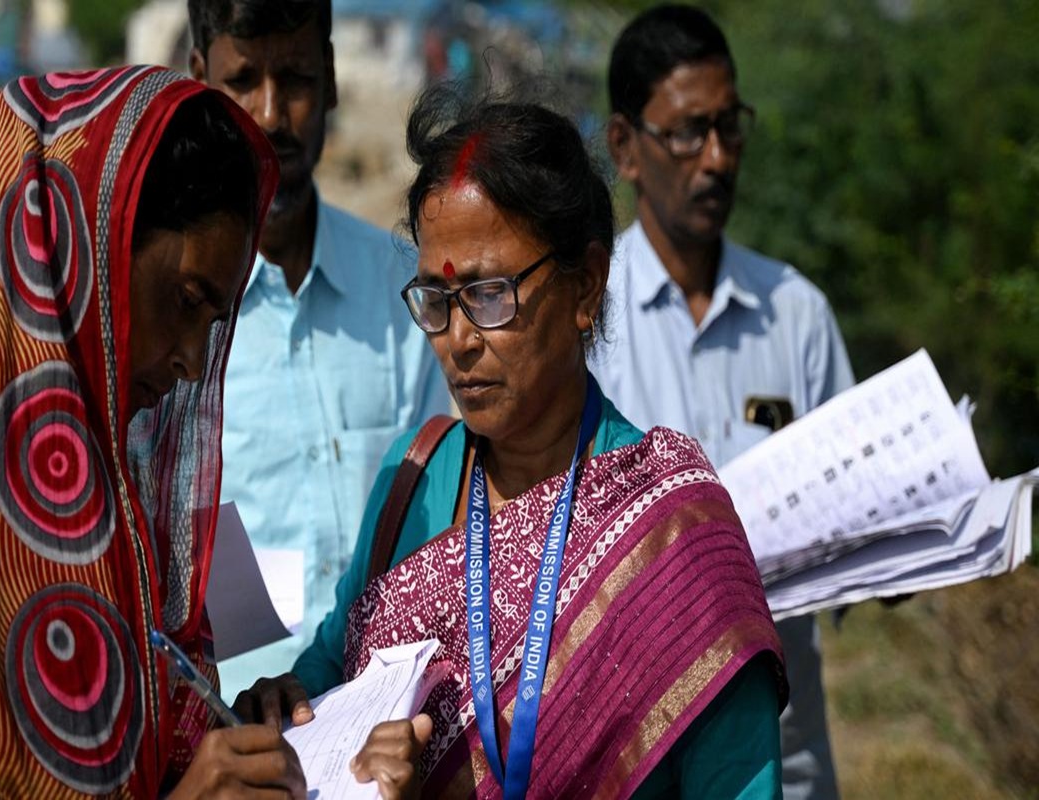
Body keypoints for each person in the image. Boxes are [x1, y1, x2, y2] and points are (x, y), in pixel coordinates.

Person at [252, 83, 788, 798]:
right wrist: (286, 709)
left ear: (586, 286)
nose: (459, 341)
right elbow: (329, 674)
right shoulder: (412, 481)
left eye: (489, 293)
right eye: (436, 302)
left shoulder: (674, 530)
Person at [0, 66, 306, 798]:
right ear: (86, 244)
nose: (190, 361)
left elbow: (154, 730)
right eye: (184, 300)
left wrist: (232, 735)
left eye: (213, 324)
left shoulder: (124, 478)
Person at [593, 6, 853, 799]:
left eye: (730, 127)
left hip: (789, 761)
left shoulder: (796, 313)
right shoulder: (583, 320)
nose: (716, 158)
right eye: (686, 132)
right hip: (636, 771)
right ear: (624, 148)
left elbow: (859, 507)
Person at [186, 0, 450, 695]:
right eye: (243, 82)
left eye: (296, 79)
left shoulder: (403, 287)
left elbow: (439, 492)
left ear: (331, 79)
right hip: (240, 720)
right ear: (198, 84)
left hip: (396, 708)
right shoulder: (180, 317)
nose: (272, 116)